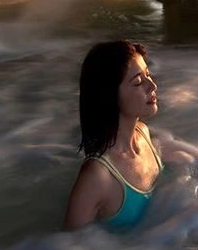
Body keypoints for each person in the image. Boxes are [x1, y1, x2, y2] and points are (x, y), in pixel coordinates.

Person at [63, 40, 164, 232]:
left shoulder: (144, 134)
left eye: (148, 75)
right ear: (109, 96)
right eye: (137, 82)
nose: (153, 86)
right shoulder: (96, 178)